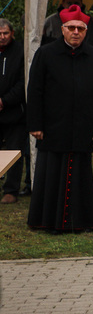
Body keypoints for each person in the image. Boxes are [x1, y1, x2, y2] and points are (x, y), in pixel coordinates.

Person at [26, 5, 93, 231]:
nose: (76, 32)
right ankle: (47, 220)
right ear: (62, 29)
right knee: (50, 172)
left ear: (86, 31)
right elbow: (35, 90)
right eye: (71, 28)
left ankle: (81, 221)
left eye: (81, 28)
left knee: (81, 173)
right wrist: (35, 124)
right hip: (53, 126)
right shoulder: (45, 53)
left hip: (83, 125)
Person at [0, 19, 26, 204]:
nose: (2, 37)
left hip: (15, 112)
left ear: (12, 33)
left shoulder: (21, 52)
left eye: (5, 33)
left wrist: (5, 100)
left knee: (14, 152)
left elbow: (23, 81)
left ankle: (11, 190)